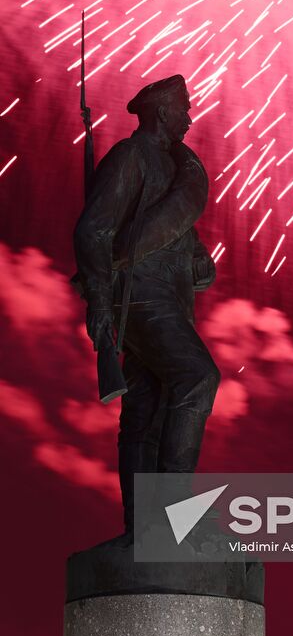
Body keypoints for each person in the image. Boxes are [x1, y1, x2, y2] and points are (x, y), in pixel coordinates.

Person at [73, 74, 220, 540]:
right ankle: (176, 517)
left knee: (148, 408)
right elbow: (92, 231)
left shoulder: (170, 167)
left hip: (169, 296)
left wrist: (197, 260)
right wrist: (99, 302)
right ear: (162, 113)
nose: (190, 117)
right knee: (197, 377)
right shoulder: (130, 156)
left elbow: (172, 227)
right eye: (184, 109)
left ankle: (145, 529)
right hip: (138, 295)